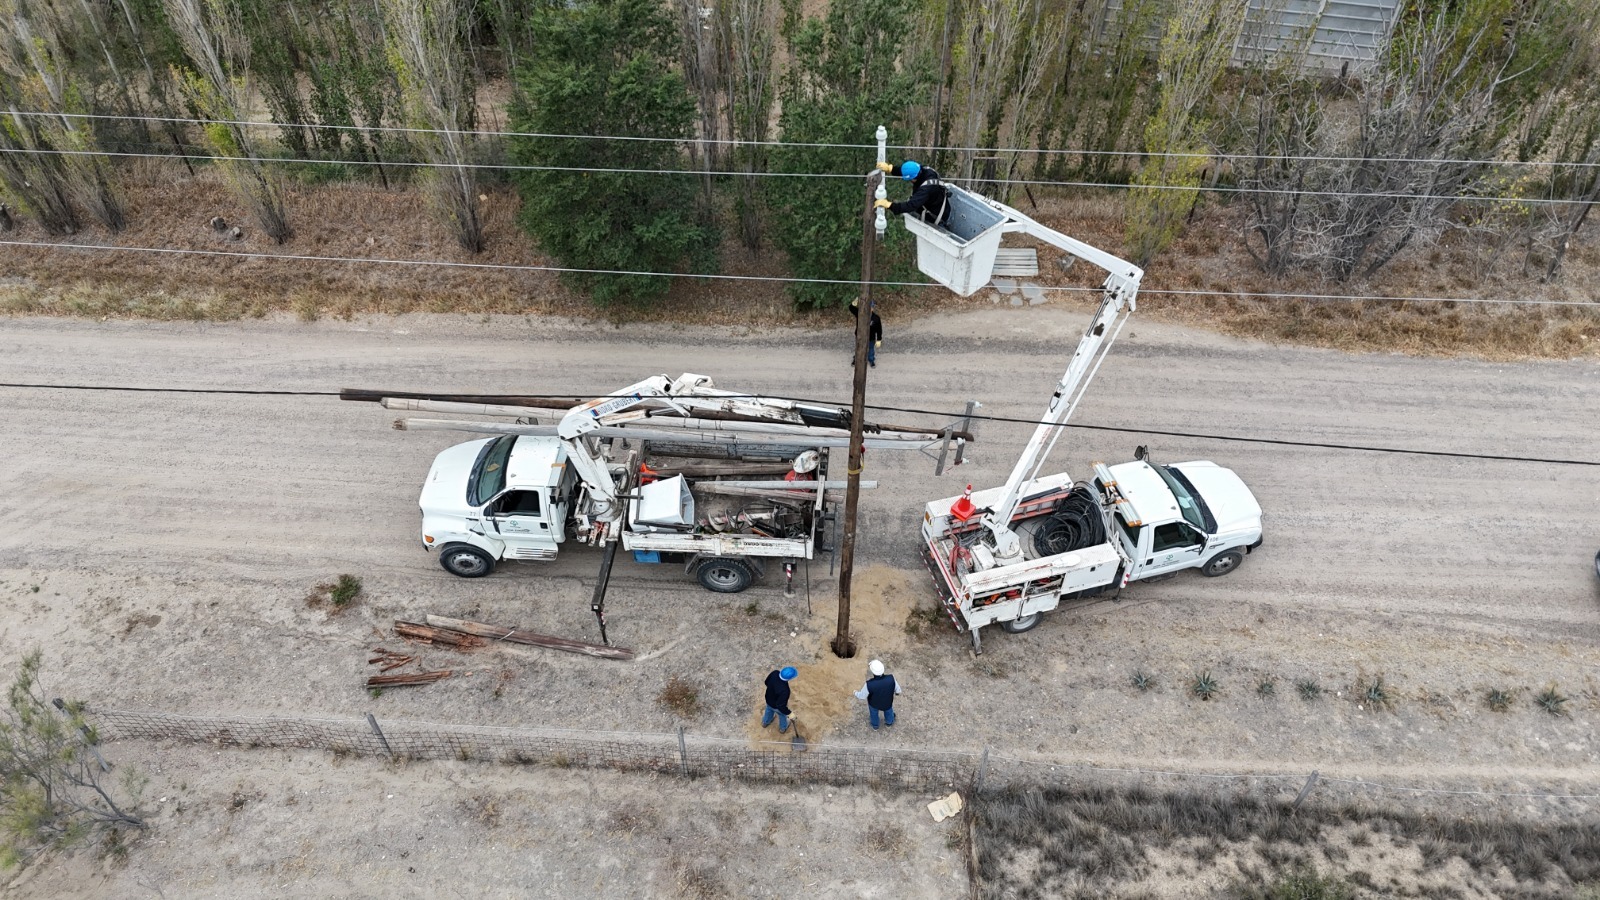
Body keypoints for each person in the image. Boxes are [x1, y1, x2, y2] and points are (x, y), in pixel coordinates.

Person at [874, 160, 950, 227]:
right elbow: (908, 171)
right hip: (937, 205)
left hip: (936, 217)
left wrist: (889, 205)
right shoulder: (924, 170)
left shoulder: (925, 189)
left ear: (913, 178)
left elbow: (911, 206)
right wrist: (891, 169)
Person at [853, 659, 902, 730]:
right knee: (889, 711)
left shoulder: (869, 684)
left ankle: (875, 726)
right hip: (887, 702)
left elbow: (862, 696)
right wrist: (897, 693)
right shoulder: (891, 678)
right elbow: (898, 690)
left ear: (872, 672)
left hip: (874, 704)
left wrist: (855, 693)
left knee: (874, 714)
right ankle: (889, 722)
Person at [848, 298, 884, 367]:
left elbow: (879, 329)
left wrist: (879, 339)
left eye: (871, 307)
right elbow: (851, 308)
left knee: (870, 349)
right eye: (868, 307)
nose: (870, 308)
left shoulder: (876, 318)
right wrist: (855, 302)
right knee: (859, 348)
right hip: (860, 336)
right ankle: (856, 359)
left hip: (871, 338)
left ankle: (871, 360)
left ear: (873, 308)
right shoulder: (860, 313)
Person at [762, 666, 797, 733]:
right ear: (790, 678)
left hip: (768, 700)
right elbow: (781, 706)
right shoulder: (785, 690)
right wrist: (789, 713)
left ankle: (765, 722)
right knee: (782, 715)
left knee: (768, 710)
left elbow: (766, 682)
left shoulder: (775, 673)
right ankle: (783, 728)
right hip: (776, 706)